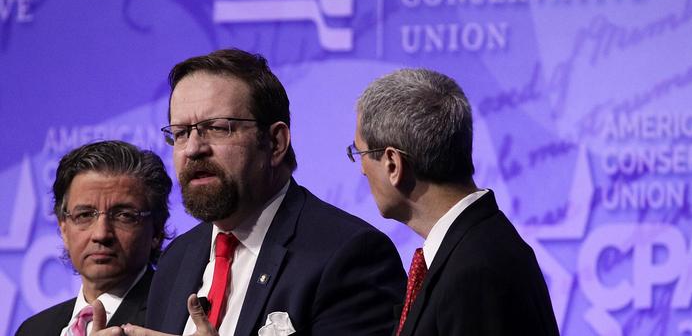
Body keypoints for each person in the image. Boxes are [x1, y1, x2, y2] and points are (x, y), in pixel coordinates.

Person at [131, 49, 405, 336]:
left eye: (216, 128)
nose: (193, 149)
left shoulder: (349, 254)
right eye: (181, 133)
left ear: (275, 143)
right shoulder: (176, 259)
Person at [352, 68, 561, 336]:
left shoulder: (475, 272)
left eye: (362, 152)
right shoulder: (475, 247)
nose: (361, 169)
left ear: (393, 164)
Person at [15, 140, 172, 336]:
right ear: (63, 228)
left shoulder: (175, 318)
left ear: (156, 230)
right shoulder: (33, 330)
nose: (101, 234)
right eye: (85, 215)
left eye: (123, 215)